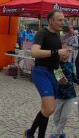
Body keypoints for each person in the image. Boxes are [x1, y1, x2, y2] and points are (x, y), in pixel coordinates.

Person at [23, 9, 70, 138]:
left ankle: (35, 134)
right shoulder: (41, 33)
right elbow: (34, 52)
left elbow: (55, 59)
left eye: (63, 19)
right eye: (60, 20)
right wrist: (57, 52)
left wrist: (61, 73)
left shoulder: (57, 35)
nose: (63, 22)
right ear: (51, 21)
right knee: (49, 108)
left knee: (45, 109)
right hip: (41, 72)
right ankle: (29, 133)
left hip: (53, 73)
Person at [50, 60, 79, 138]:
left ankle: (55, 135)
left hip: (70, 95)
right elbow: (60, 80)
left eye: (68, 52)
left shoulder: (70, 64)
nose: (67, 54)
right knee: (56, 117)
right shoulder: (55, 65)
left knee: (65, 117)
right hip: (58, 95)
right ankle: (61, 133)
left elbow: (73, 76)